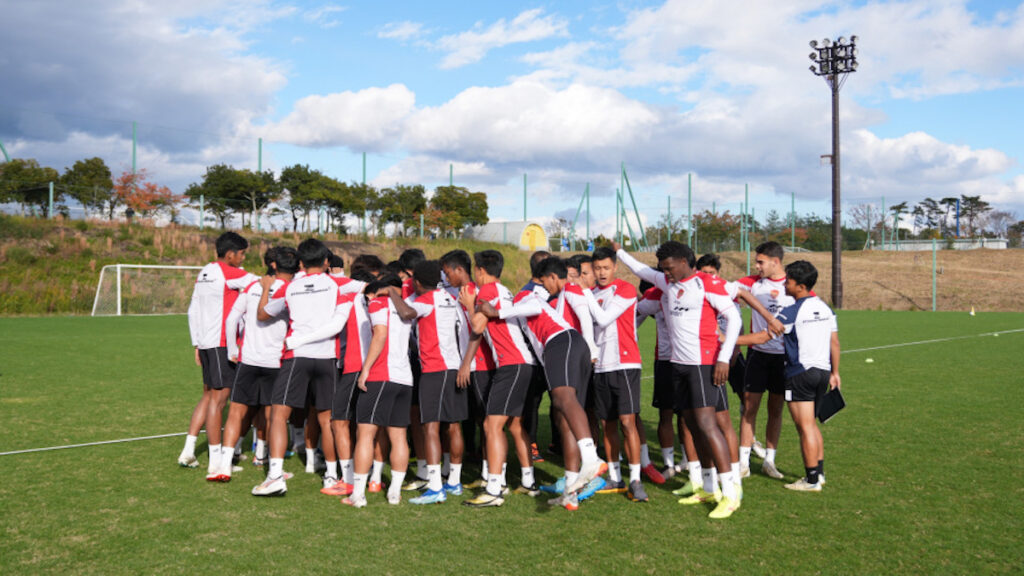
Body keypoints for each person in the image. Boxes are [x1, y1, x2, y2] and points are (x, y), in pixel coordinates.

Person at [614, 240, 743, 519]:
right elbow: (638, 268)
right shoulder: (664, 283)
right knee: (694, 426)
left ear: (684, 262)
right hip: (678, 366)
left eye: (669, 267)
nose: (666, 273)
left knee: (709, 425)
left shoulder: (706, 284)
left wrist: (724, 358)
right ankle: (708, 487)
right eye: (662, 269)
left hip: (703, 364)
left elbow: (733, 319)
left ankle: (731, 494)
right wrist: (618, 251)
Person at [478, 256, 607, 510]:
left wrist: (497, 311)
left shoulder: (526, 295)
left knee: (563, 400)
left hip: (561, 343)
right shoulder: (531, 294)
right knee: (565, 412)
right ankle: (571, 490)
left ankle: (592, 458)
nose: (552, 288)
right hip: (567, 346)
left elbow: (534, 308)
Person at [251, 239, 350, 497]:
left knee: (279, 416)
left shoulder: (291, 287)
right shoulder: (338, 284)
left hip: (297, 355)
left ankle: (275, 476)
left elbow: (263, 315)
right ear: (327, 261)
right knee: (327, 419)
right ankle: (330, 477)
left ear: (302, 263)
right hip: (327, 357)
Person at [208, 246, 297, 482]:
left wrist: (233, 350)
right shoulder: (290, 291)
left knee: (236, 412)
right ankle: (269, 465)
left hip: (248, 359)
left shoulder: (251, 286)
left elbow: (232, 318)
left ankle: (224, 466)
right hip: (276, 361)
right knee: (273, 416)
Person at [458, 250, 536, 508]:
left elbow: (478, 327)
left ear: (480, 270)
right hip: (519, 363)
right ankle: (526, 481)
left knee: (492, 425)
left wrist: (470, 305)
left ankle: (494, 488)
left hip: (511, 364)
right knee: (511, 424)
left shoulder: (488, 291)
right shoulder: (504, 290)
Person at [392, 261, 470, 505]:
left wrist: (393, 293)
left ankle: (436, 486)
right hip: (454, 366)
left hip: (434, 370)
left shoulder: (426, 300)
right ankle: (454, 482)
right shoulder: (449, 298)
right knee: (454, 426)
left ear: (416, 282)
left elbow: (407, 313)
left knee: (431, 427)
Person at [180, 231, 258, 471]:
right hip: (221, 343)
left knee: (208, 396)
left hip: (206, 343)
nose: (243, 258)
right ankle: (216, 462)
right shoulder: (230, 273)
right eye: (242, 254)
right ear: (231, 254)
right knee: (219, 400)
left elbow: (192, 310)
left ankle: (188, 450)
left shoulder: (204, 271)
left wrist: (197, 343)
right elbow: (263, 282)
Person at [579, 246, 649, 501]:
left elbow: (605, 318)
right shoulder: (592, 293)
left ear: (615, 267)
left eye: (606, 267)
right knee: (606, 423)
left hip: (625, 364)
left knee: (627, 422)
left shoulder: (625, 289)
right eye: (597, 268)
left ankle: (636, 479)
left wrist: (584, 291)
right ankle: (615, 477)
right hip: (600, 367)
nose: (601, 273)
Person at [344, 276, 416, 507]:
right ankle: (394, 493)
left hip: (381, 375)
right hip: (404, 379)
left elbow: (380, 334)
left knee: (365, 434)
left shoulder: (378, 303)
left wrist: (365, 370)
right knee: (399, 437)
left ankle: (358, 494)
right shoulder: (405, 308)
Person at [777, 260, 840, 491]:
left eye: (788, 281)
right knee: (811, 425)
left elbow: (764, 336)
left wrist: (729, 339)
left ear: (800, 286)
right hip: (822, 372)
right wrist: (835, 373)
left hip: (798, 374)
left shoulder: (791, 311)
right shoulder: (826, 308)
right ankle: (819, 474)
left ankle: (811, 480)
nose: (785, 285)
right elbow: (835, 342)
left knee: (804, 427)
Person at [734, 241, 793, 480]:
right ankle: (743, 462)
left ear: (775, 262)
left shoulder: (793, 285)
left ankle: (770, 460)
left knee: (775, 409)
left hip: (783, 358)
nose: (756, 266)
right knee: (749, 408)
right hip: (757, 355)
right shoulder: (750, 283)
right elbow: (724, 289)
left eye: (760, 262)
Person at [441, 250, 496, 487]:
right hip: (468, 364)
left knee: (486, 421)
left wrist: (465, 363)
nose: (446, 278)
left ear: (459, 270)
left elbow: (478, 329)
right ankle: (479, 471)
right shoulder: (460, 294)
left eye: (447, 272)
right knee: (472, 419)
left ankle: (489, 474)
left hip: (481, 365)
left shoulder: (475, 293)